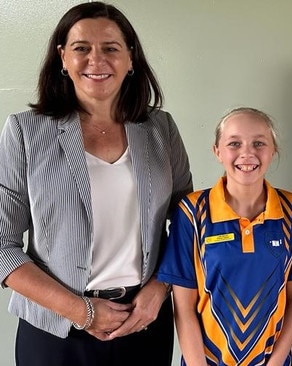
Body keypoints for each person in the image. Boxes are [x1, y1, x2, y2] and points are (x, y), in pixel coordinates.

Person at [0, 2, 193, 365]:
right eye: (81, 48)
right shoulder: (25, 132)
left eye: (110, 48)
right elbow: (2, 247)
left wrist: (161, 287)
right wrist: (80, 311)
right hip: (55, 332)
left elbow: (187, 222)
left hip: (144, 323)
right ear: (62, 57)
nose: (96, 60)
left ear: (130, 59)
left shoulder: (160, 129)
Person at [158, 107, 292, 366]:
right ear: (217, 152)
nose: (247, 153)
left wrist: (276, 362)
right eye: (234, 143)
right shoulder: (192, 212)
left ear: (273, 150)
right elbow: (184, 307)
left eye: (259, 143)